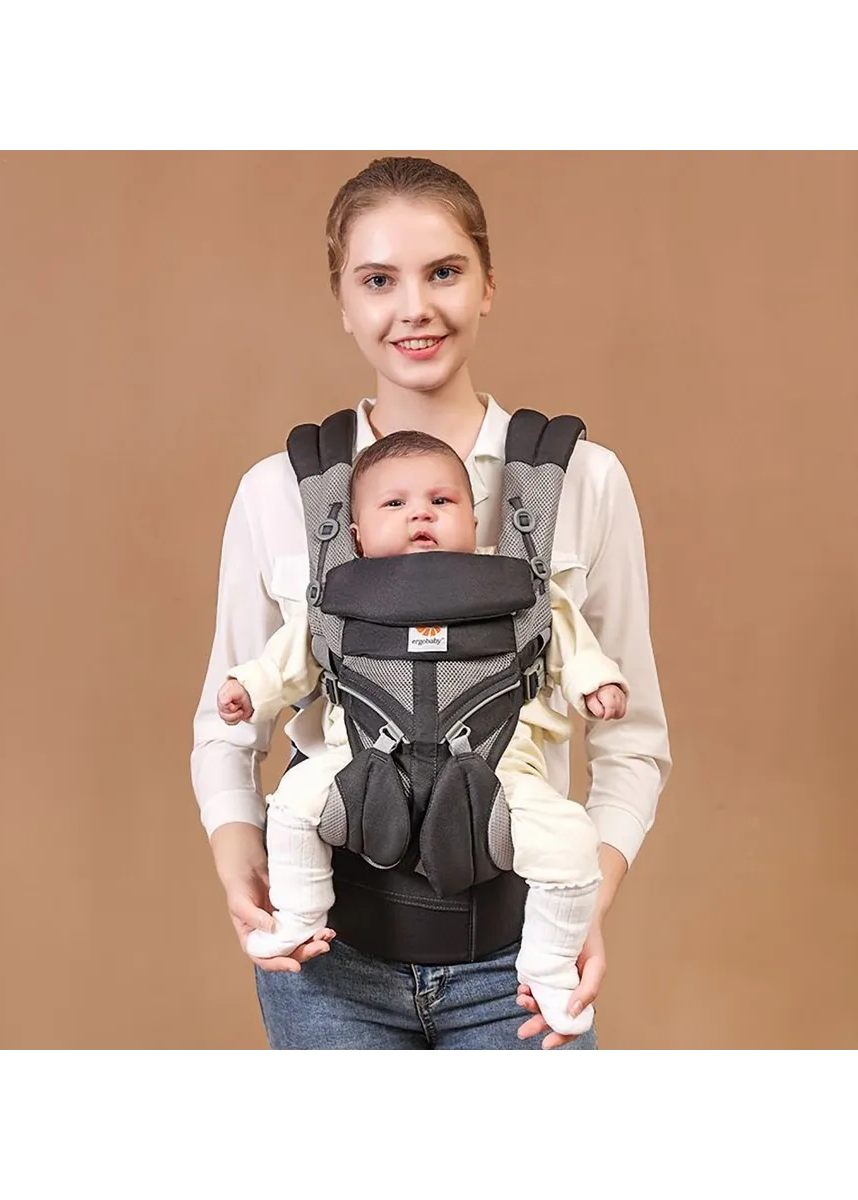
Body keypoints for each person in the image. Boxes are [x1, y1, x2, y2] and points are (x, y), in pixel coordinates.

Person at [191, 154, 671, 1054]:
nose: (414, 308)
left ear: (488, 285)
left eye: (444, 271)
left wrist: (582, 910)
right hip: (332, 961)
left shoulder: (581, 481)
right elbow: (227, 723)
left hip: (517, 959)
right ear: (343, 301)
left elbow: (633, 737)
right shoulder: (278, 491)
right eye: (378, 280)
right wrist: (240, 862)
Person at [215, 428, 629, 1036]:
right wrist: (249, 689)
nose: (421, 515)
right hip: (361, 771)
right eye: (395, 503)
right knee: (293, 804)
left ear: (475, 520)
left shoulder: (519, 590)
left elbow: (571, 645)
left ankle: (547, 967)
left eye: (442, 501)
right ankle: (301, 914)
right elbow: (287, 660)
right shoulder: (334, 598)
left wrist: (596, 684)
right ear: (356, 533)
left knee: (570, 840)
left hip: (497, 777)